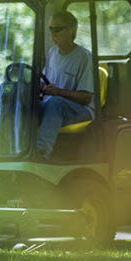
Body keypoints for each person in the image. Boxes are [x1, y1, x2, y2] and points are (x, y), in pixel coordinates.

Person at [36, 11, 95, 160]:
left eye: (57, 29)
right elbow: (45, 80)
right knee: (21, 101)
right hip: (53, 106)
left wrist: (58, 92)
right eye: (51, 29)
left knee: (56, 103)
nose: (53, 34)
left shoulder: (84, 57)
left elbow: (86, 97)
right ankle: (9, 148)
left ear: (72, 30)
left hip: (81, 110)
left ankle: (41, 154)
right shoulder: (52, 52)